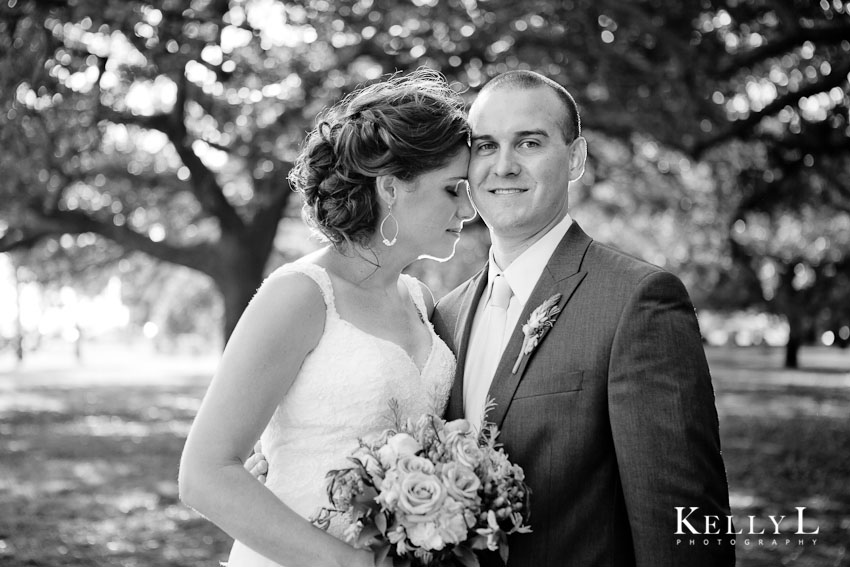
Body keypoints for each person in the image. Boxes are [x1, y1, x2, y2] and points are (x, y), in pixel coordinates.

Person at [430, 70, 735, 565]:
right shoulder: (445, 315)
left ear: (575, 158)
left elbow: (683, 522)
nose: (502, 166)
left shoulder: (637, 301)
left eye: (529, 142)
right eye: (485, 146)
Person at [178, 68, 475, 567]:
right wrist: (353, 563)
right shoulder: (299, 295)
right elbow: (204, 474)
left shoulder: (421, 300)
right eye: (452, 188)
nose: (469, 208)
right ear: (391, 187)